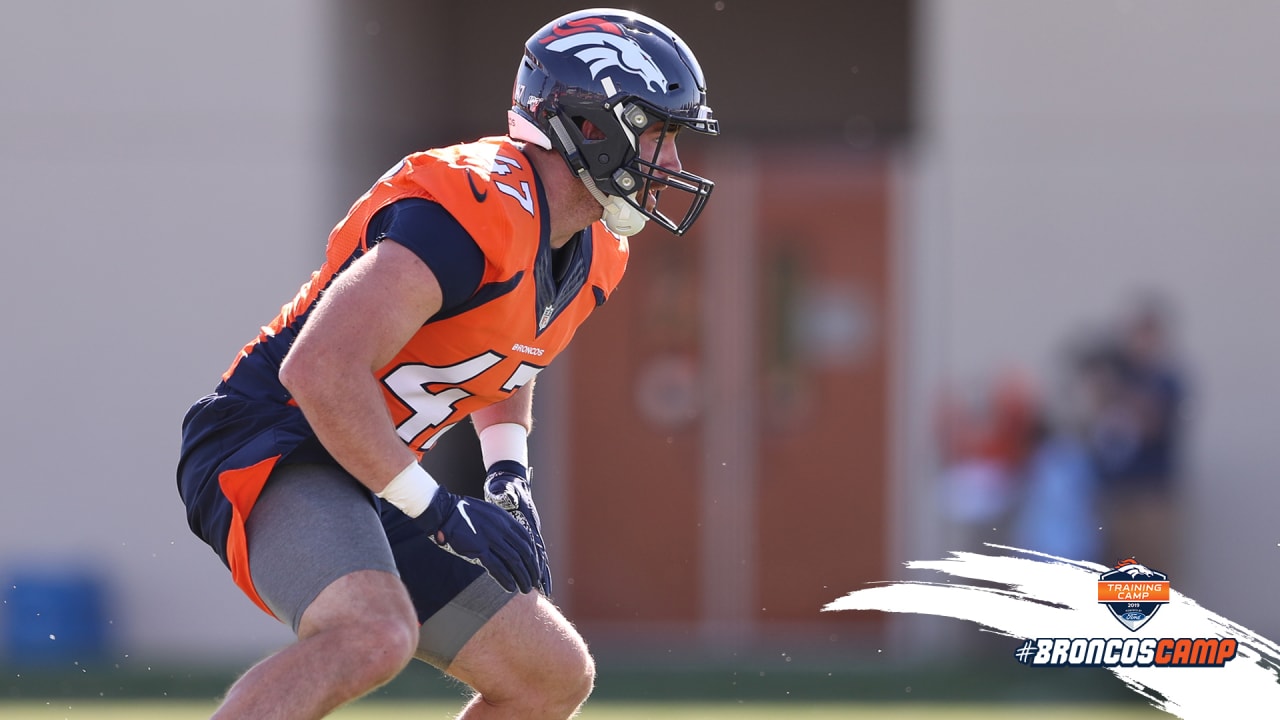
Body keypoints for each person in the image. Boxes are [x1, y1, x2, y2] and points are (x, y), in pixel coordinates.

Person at [175, 8, 718, 719]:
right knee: (372, 635)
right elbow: (318, 370)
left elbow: (509, 352)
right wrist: (434, 509)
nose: (670, 163)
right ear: (589, 123)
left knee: (548, 675)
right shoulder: (474, 207)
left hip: (370, 466)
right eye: (656, 131)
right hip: (275, 440)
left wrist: (506, 469)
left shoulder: (594, 249)